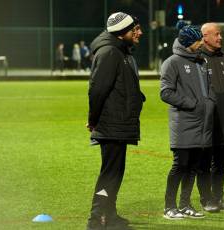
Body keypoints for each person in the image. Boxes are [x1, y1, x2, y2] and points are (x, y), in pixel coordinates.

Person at [86, 12, 145, 230]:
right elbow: (97, 90)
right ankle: (97, 219)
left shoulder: (119, 51)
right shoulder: (110, 52)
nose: (140, 32)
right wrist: (93, 120)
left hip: (118, 122)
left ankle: (109, 215)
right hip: (112, 123)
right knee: (110, 173)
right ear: (122, 33)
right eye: (135, 29)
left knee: (115, 172)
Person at [160, 22, 215, 220]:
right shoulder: (172, 62)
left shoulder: (201, 62)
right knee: (180, 165)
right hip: (183, 123)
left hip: (201, 123)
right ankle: (169, 207)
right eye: (199, 40)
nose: (202, 43)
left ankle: (185, 205)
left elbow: (207, 91)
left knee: (193, 166)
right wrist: (191, 104)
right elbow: (165, 93)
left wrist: (208, 105)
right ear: (189, 42)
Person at [195, 22, 224, 212]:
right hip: (206, 121)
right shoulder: (197, 59)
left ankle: (219, 197)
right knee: (204, 162)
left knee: (222, 162)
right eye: (216, 34)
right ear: (205, 37)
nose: (220, 37)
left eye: (220, 34)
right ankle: (206, 199)